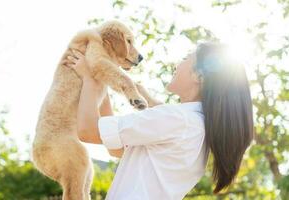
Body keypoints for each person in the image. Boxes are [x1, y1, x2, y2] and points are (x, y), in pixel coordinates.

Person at [64, 42, 254, 199]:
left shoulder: (178, 119)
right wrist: (103, 84)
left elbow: (88, 131)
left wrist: (89, 78)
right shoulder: (198, 127)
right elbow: (116, 149)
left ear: (199, 76)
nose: (176, 65)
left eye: (185, 58)